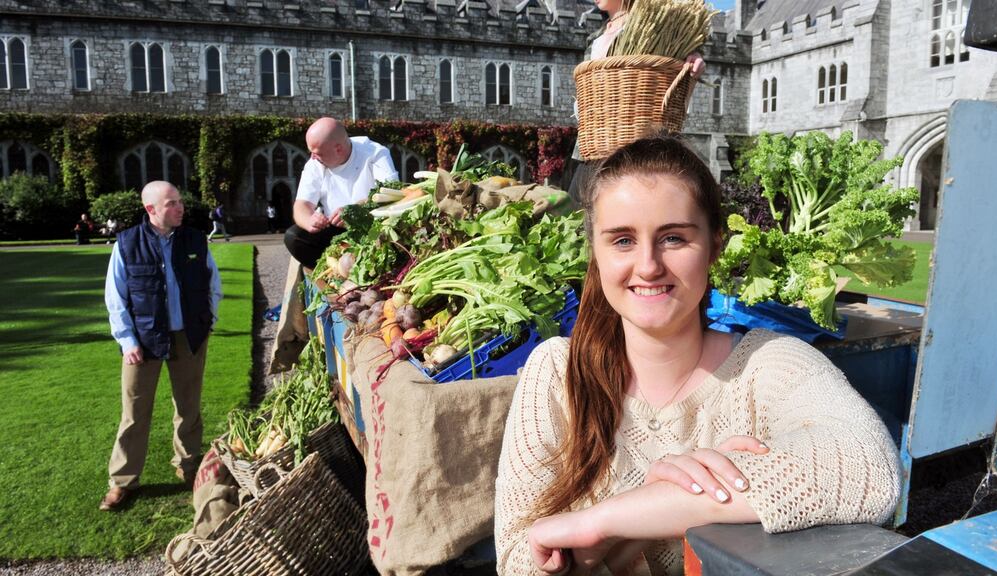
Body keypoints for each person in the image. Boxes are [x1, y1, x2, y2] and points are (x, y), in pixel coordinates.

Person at [494, 136, 901, 574]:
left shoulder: (767, 364)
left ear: (715, 247)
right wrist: (622, 529)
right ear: (595, 251)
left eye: (673, 238)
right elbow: (518, 560)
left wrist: (613, 516)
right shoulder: (558, 372)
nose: (648, 266)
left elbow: (868, 469)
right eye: (623, 241)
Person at [100, 181, 223, 511]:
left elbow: (213, 282)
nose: (180, 208)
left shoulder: (195, 239)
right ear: (151, 209)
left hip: (189, 336)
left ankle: (188, 464)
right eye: (171, 204)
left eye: (180, 202)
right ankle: (123, 481)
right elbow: (116, 297)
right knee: (134, 413)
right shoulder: (127, 243)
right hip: (142, 341)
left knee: (188, 406)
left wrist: (207, 322)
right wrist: (126, 340)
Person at [565, 0, 706, 205]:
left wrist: (693, 62)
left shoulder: (656, 25)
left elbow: (676, 68)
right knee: (574, 213)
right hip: (592, 145)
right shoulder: (594, 37)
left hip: (636, 144)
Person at [284, 117, 399, 270]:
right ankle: (334, 272)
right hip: (335, 230)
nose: (312, 157)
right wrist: (309, 221)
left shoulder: (375, 153)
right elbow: (301, 204)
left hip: (374, 227)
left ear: (338, 149)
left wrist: (355, 211)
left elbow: (392, 194)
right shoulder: (315, 163)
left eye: (317, 153)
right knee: (293, 237)